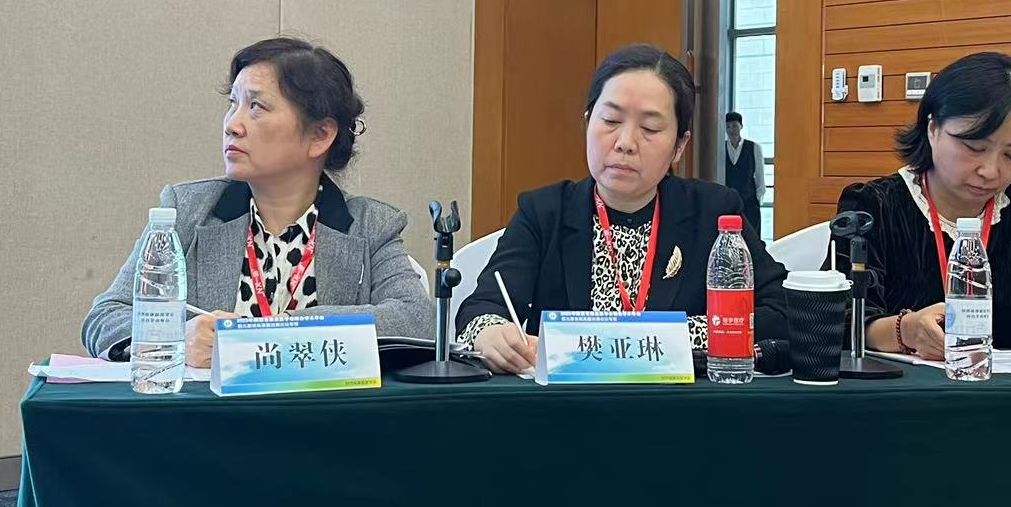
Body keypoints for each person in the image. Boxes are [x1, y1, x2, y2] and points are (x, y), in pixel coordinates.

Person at [84, 36, 433, 365]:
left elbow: (417, 320)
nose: (232, 125)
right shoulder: (188, 210)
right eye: (233, 104)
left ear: (320, 135)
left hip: (320, 409)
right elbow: (106, 317)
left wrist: (280, 333)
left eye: (256, 106)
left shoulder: (371, 226)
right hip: (208, 408)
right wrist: (176, 339)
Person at [457, 43, 788, 374]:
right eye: (611, 120)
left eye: (650, 129)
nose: (625, 143)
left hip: (680, 401)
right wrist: (490, 334)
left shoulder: (714, 212)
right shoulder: (544, 213)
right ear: (588, 122)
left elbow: (781, 310)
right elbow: (481, 310)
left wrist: (665, 339)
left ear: (679, 146)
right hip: (567, 402)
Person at [830, 51, 1011, 358]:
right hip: (905, 385)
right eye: (974, 147)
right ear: (933, 129)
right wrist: (905, 331)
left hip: (1007, 385)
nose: (991, 171)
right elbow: (840, 319)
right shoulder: (873, 206)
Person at [723, 111, 766, 227]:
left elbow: (760, 176)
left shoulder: (754, 147)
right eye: (728, 126)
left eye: (734, 126)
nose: (731, 130)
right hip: (727, 202)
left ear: (741, 126)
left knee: (751, 234)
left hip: (749, 202)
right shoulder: (720, 147)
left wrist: (757, 199)